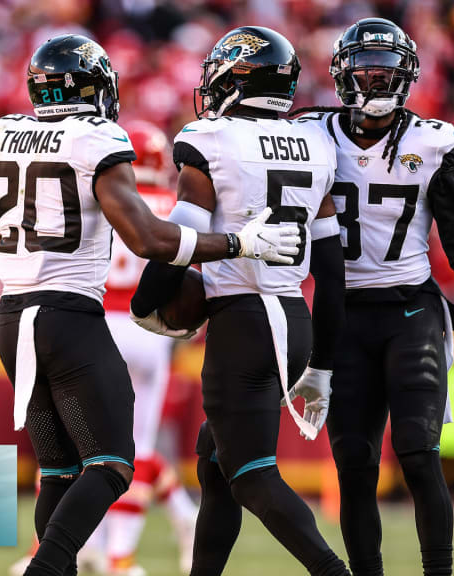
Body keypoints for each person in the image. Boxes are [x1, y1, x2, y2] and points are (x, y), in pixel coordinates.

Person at [0, 34, 303, 576]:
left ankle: (67, 563)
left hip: (14, 315)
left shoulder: (3, 134)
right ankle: (74, 565)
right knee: (112, 464)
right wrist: (237, 243)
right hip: (73, 319)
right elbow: (150, 241)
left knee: (59, 472)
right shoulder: (97, 140)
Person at [288, 17, 454, 576]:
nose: (375, 83)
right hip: (341, 316)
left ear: (408, 76)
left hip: (410, 310)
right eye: (365, 72)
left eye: (386, 72)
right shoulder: (311, 132)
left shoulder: (432, 142)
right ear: (343, 76)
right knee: (354, 462)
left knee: (418, 453)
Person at [130, 26, 349, 576]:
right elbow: (331, 270)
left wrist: (145, 305)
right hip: (293, 320)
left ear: (236, 78)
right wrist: (320, 364)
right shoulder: (317, 145)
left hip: (245, 321)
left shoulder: (211, 140)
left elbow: (179, 244)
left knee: (250, 473)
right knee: (214, 459)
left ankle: (334, 572)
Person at [91, 120, 197, 576]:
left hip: (101, 325)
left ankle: (91, 551)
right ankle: (122, 557)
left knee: (88, 445)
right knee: (140, 446)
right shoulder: (174, 206)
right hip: (151, 330)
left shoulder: (104, 203)